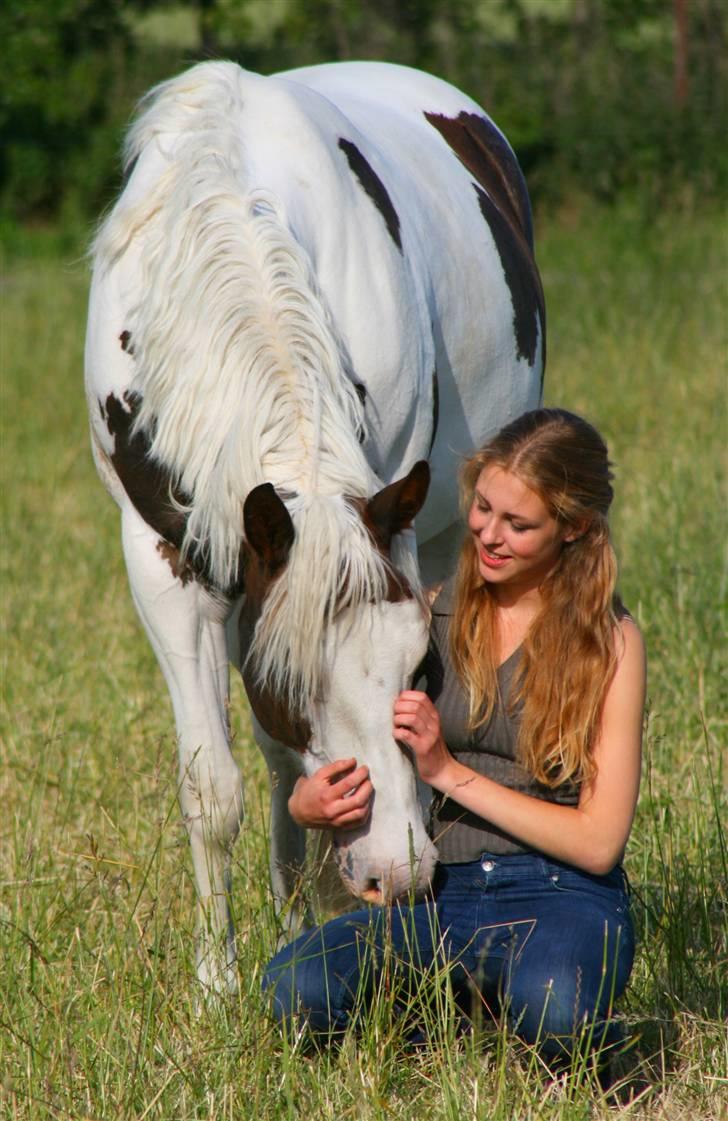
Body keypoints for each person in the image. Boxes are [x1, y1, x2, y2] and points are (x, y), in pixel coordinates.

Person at [262, 408, 646, 1072]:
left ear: (574, 528)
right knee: (293, 985)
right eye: (483, 508)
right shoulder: (426, 617)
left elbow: (599, 840)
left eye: (518, 524)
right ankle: (461, 1009)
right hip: (442, 893)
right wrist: (308, 805)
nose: (489, 535)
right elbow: (360, 744)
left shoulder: (610, 641)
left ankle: (545, 1025)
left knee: (554, 1005)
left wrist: (447, 771)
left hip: (564, 894)